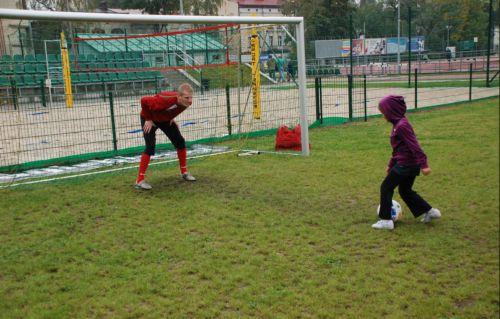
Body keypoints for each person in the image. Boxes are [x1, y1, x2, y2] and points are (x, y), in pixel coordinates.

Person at [372, 95, 441, 230]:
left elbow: (414, 145)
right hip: (407, 163)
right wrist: (391, 164)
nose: (383, 116)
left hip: (406, 164)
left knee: (386, 187)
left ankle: (386, 220)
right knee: (405, 190)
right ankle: (430, 212)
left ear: (391, 111)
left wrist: (424, 165)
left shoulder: (402, 126)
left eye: (384, 113)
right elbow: (398, 148)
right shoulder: (398, 124)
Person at [135, 83, 196, 190]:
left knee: (180, 142)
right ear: (179, 96)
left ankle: (184, 172)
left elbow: (175, 109)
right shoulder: (164, 99)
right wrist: (148, 119)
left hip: (165, 120)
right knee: (150, 147)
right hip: (150, 119)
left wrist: (171, 117)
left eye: (191, 97)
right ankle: (139, 180)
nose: (190, 100)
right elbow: (144, 100)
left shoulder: (186, 103)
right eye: (187, 98)